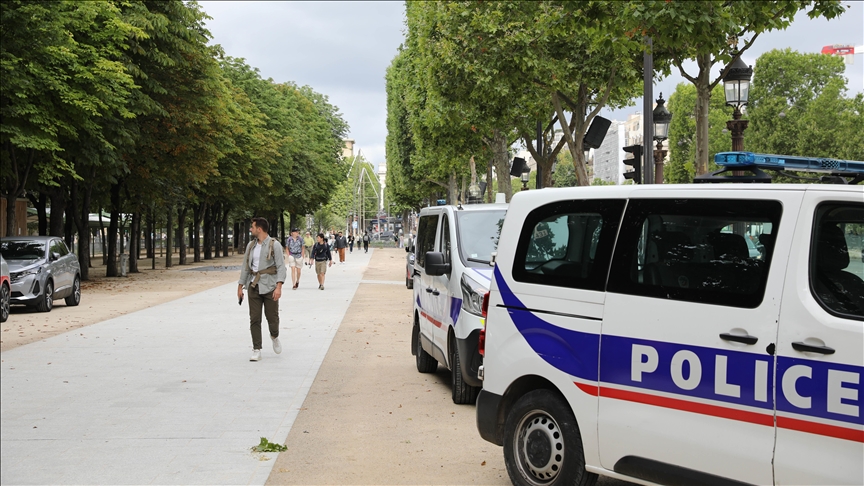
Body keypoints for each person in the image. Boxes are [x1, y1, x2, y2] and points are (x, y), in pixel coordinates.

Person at [237, 217, 287, 362]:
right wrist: (240, 285)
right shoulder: (251, 246)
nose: (250, 229)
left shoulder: (274, 245)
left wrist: (279, 287)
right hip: (253, 286)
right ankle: (256, 349)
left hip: (270, 286)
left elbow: (281, 267)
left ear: (259, 229)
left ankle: (274, 336)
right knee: (254, 318)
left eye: (252, 227)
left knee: (272, 318)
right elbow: (246, 266)